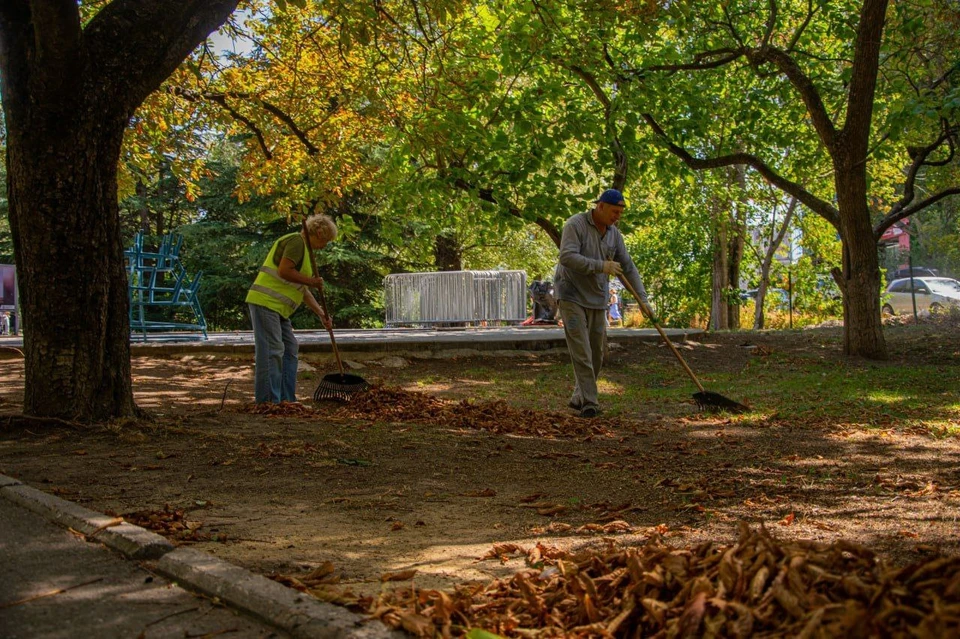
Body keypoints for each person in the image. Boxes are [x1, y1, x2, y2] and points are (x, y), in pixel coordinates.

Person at [554, 188, 649, 418]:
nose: (617, 217)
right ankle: (590, 402)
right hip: (571, 294)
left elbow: (627, 266)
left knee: (596, 354)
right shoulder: (575, 225)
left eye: (620, 213)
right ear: (601, 206)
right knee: (582, 350)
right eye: (614, 211)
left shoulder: (615, 235)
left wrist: (643, 299)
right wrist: (601, 266)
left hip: (597, 297)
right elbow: (566, 256)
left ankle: (580, 395)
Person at [246, 214, 336, 404]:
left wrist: (321, 314)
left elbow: (301, 290)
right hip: (265, 302)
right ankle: (269, 402)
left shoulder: (304, 252)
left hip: (279, 308)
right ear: (318, 233)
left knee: (289, 348)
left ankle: (287, 400)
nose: (324, 246)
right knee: (273, 350)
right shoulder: (296, 241)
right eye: (325, 241)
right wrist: (312, 281)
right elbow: (284, 271)